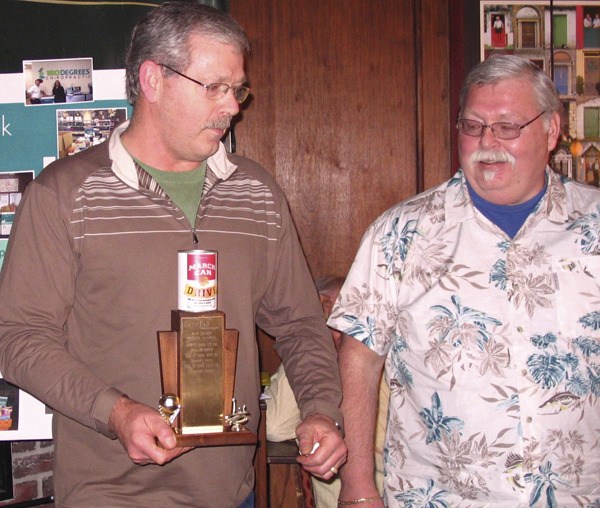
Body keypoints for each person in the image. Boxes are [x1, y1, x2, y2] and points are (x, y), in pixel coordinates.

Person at [0, 3, 346, 506]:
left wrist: (320, 409)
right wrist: (114, 411)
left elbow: (298, 323)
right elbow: (17, 337)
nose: (233, 107)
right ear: (153, 79)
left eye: (238, 89)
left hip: (231, 493)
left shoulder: (257, 192)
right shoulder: (64, 195)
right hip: (109, 494)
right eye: (215, 87)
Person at [329, 54, 600, 507]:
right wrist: (357, 490)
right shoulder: (401, 233)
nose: (487, 142)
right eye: (473, 126)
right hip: (440, 497)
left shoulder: (594, 224)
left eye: (507, 127)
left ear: (551, 130)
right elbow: (359, 363)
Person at [265, 276, 389, 507]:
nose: (351, 331)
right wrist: (314, 341)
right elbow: (275, 425)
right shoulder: (317, 372)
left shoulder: (386, 372)